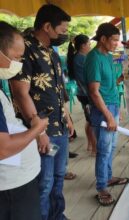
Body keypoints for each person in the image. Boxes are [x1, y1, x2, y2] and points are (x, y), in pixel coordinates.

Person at [9, 5, 74, 220]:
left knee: (58, 176)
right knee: (43, 183)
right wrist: (38, 131)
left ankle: (57, 215)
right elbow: (20, 93)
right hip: (40, 130)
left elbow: (58, 90)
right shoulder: (26, 50)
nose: (64, 35)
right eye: (62, 31)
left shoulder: (51, 53)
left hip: (59, 126)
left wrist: (68, 116)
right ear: (47, 27)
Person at [0, 21, 48, 220]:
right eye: (15, 57)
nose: (17, 64)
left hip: (15, 183)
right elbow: (2, 149)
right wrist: (36, 130)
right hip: (11, 189)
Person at [84, 23, 129, 206]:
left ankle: (109, 177)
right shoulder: (94, 58)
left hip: (112, 105)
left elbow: (110, 84)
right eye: (114, 40)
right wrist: (109, 116)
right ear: (102, 39)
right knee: (103, 150)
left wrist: (116, 109)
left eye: (117, 41)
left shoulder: (109, 57)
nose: (116, 44)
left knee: (111, 147)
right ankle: (102, 186)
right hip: (102, 110)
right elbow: (94, 92)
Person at [67, 34, 97, 155]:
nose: (90, 46)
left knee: (89, 120)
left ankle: (90, 145)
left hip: (83, 93)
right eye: (89, 44)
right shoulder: (81, 58)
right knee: (93, 121)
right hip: (87, 94)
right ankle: (95, 148)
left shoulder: (78, 57)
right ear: (83, 46)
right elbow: (86, 79)